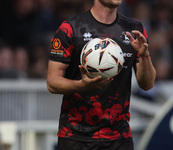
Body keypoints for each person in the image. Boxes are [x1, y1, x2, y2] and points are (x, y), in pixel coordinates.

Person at [47, 0, 156, 150]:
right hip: (75, 136)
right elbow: (52, 82)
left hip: (119, 137)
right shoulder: (71, 28)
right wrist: (81, 85)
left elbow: (147, 84)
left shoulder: (134, 30)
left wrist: (144, 57)